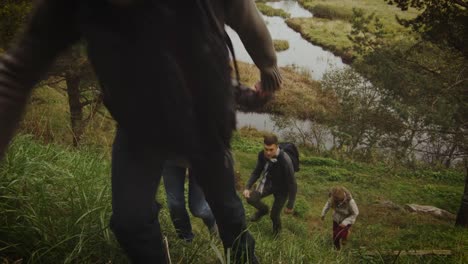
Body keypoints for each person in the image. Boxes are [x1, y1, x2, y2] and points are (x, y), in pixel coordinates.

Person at [0, 0, 281, 263]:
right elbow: (16, 73)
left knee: (229, 214)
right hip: (139, 130)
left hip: (204, 127)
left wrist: (267, 64)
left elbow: (244, 14)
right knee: (130, 222)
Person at [243, 134, 297, 236]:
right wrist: (247, 187)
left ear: (277, 146)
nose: (268, 152)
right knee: (251, 198)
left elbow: (292, 183)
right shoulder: (262, 155)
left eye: (271, 149)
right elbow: (256, 172)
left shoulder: (285, 160)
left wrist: (290, 204)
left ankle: (276, 235)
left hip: (282, 189)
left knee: (274, 215)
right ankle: (263, 210)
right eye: (266, 149)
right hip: (269, 184)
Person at [162, 159, 217, 242]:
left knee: (199, 209)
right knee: (175, 204)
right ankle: (186, 239)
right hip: (171, 155)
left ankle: (215, 225)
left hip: (200, 157)